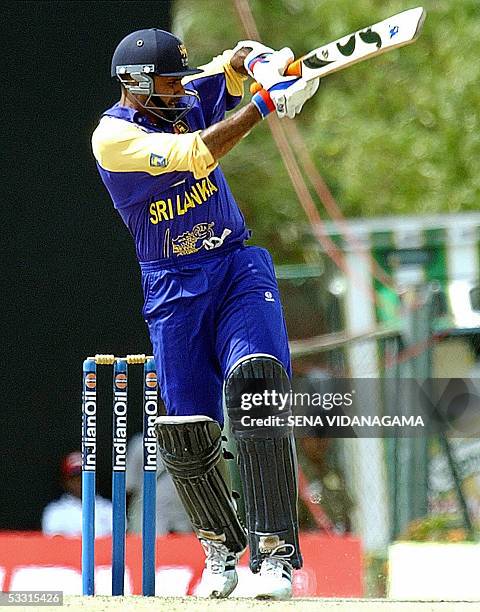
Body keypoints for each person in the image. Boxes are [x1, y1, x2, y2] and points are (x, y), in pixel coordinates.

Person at [91, 28, 319, 600]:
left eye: (178, 77)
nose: (179, 89)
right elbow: (198, 153)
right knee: (188, 430)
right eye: (167, 81)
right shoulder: (114, 137)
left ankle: (275, 557)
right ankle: (220, 550)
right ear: (138, 85)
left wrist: (268, 63)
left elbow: (234, 63)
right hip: (173, 288)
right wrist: (264, 105)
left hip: (235, 266)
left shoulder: (182, 96)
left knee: (258, 384)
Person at [125, 432, 192, 535]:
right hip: (174, 509)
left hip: (153, 510)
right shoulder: (189, 443)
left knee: (151, 547)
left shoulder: (141, 443)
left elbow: (129, 488)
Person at [42, 451, 112, 536]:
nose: (80, 482)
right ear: (66, 482)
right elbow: (54, 544)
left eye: (84, 477)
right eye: (75, 478)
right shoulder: (55, 512)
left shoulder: (109, 509)